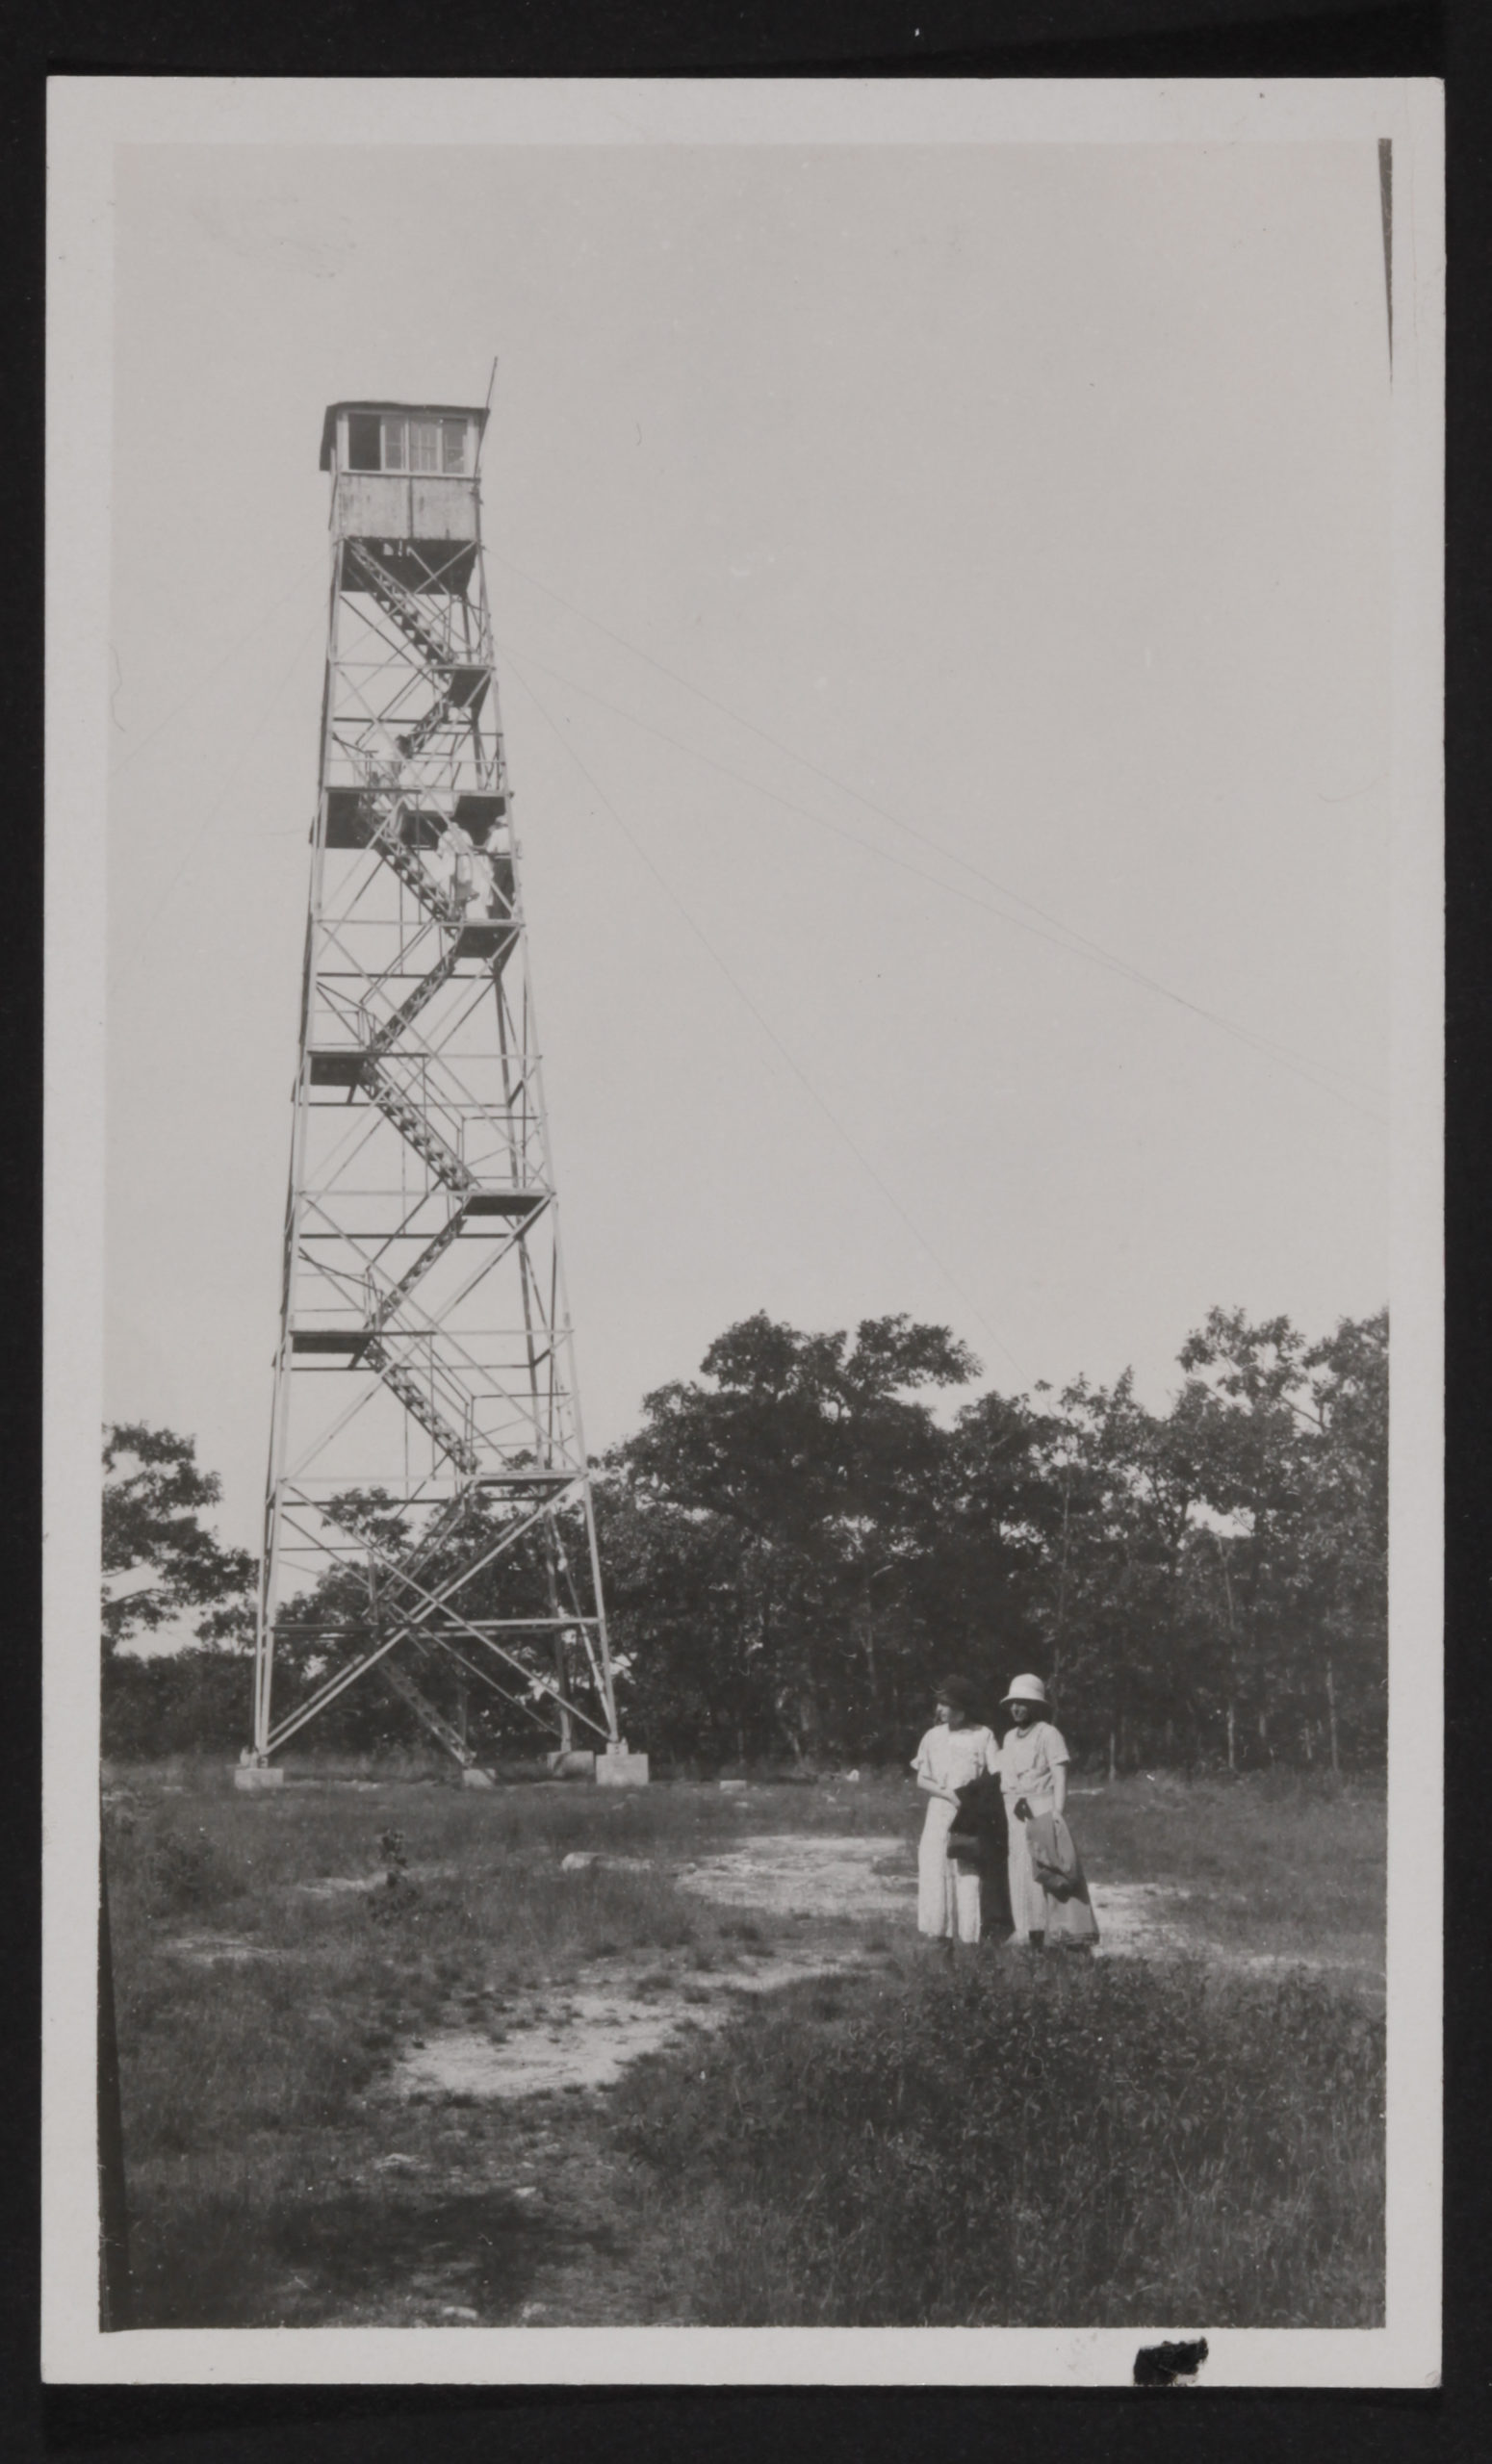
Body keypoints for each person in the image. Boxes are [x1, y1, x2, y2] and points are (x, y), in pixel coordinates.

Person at [998, 1673, 1099, 1949]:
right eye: (1013, 1703)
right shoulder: (1008, 1738)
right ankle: (1030, 1935)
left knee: (1048, 1872)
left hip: (1041, 1810)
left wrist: (1057, 1813)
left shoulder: (1048, 1734)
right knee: (1021, 1875)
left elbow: (1060, 1775)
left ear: (1036, 1705)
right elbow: (1007, 1776)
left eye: (1024, 1703)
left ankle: (1059, 1938)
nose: (1017, 1708)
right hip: (1015, 1812)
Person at [911, 1678, 1000, 1945]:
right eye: (939, 1703)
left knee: (968, 1874)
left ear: (962, 1708)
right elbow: (922, 1778)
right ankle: (941, 1940)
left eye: (946, 1704)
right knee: (937, 1871)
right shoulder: (932, 1736)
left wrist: (974, 1797)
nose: (940, 1709)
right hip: (939, 1812)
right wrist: (948, 1794)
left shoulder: (982, 1735)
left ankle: (971, 1941)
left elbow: (996, 1774)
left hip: (969, 1814)